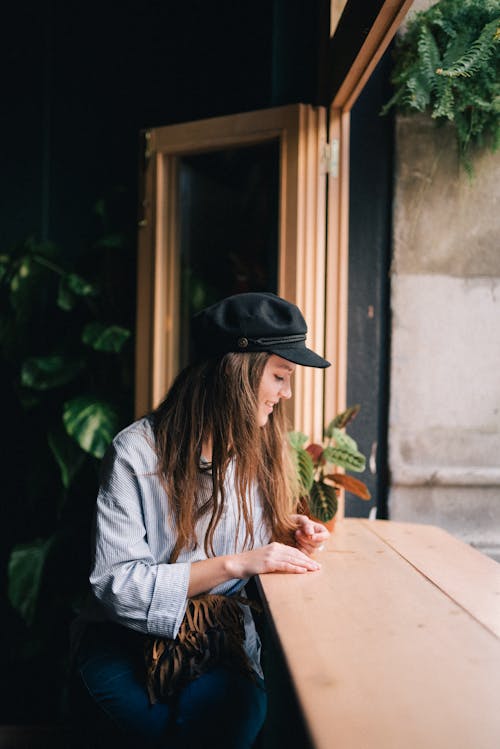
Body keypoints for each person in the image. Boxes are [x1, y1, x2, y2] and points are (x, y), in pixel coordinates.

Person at [70, 291, 331, 748]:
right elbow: (117, 585)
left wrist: (289, 531)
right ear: (237, 374)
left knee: (223, 720)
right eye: (279, 376)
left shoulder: (262, 446)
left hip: (221, 645)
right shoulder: (135, 453)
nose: (286, 392)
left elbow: (248, 526)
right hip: (123, 644)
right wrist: (237, 564)